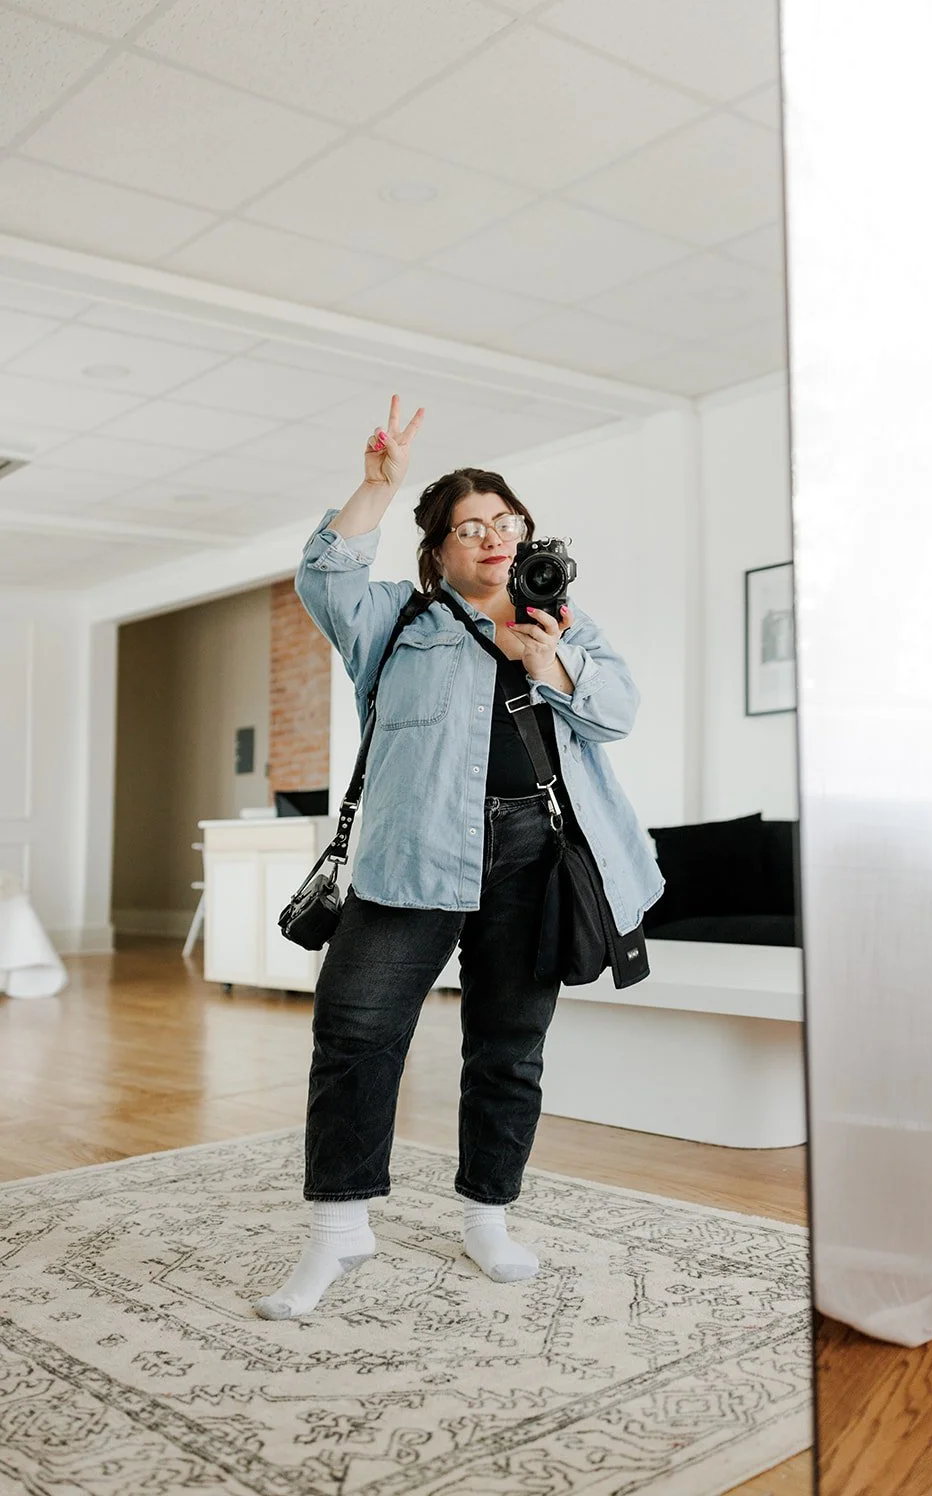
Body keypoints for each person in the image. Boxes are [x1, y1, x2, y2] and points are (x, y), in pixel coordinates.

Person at [255, 395, 663, 1320]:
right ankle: (338, 1230)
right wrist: (375, 485)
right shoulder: (394, 621)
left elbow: (619, 715)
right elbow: (324, 573)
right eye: (468, 527)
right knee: (355, 1030)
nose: (492, 538)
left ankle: (487, 1215)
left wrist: (546, 661)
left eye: (506, 522)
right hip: (413, 853)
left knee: (508, 1047)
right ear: (436, 549)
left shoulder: (561, 620)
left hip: (535, 854)